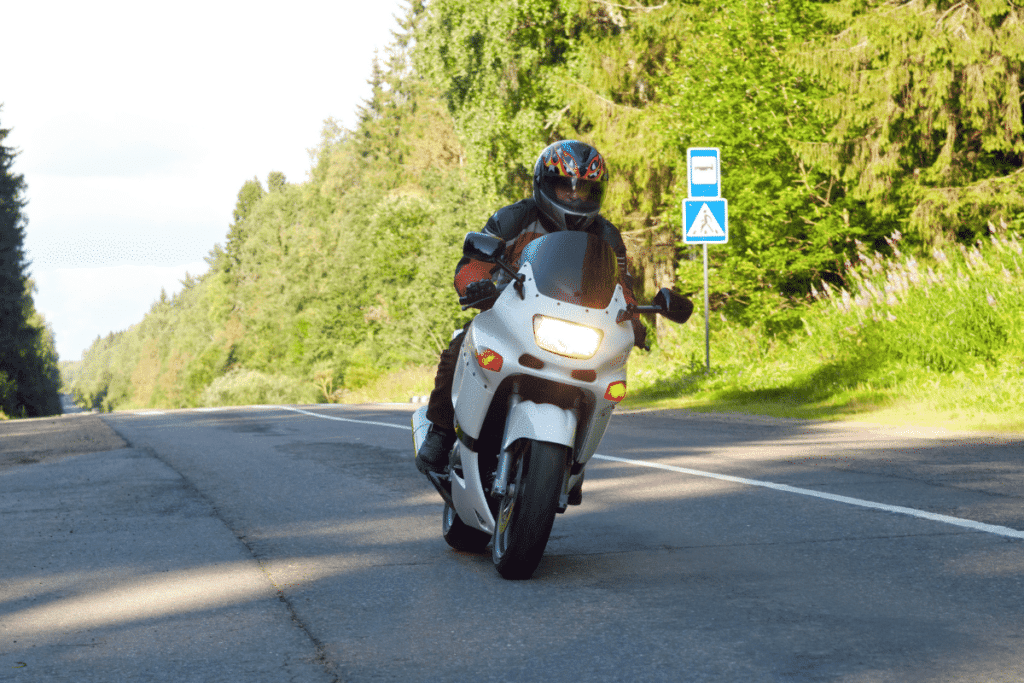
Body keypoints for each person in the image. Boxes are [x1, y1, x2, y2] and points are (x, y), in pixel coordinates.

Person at [416, 140, 646, 475]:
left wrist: (636, 318)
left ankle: (571, 463)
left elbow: (622, 287)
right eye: (564, 188)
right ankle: (439, 430)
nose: (574, 197)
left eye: (584, 190)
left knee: (608, 378)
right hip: (510, 314)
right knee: (460, 345)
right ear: (543, 184)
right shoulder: (515, 218)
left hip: (580, 325)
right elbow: (474, 264)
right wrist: (475, 284)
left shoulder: (607, 236)